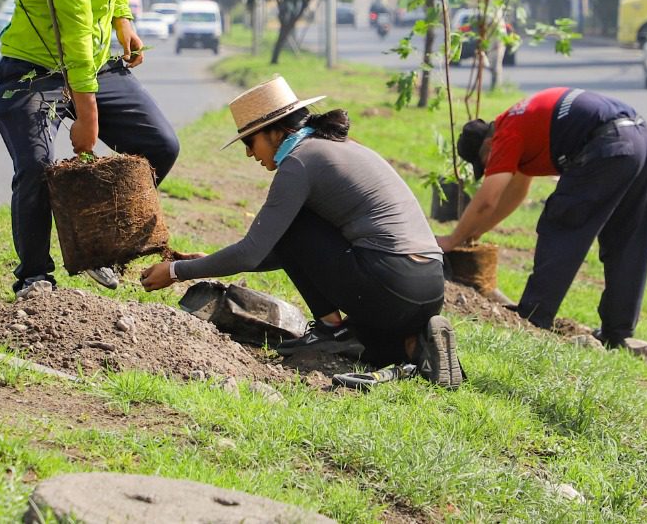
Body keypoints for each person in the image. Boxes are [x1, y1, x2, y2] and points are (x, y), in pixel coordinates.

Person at [139, 77, 460, 388]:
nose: (250, 154)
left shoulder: (299, 162)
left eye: (250, 142)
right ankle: (416, 346)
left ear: (275, 132)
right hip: (428, 286)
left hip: (390, 280)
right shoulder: (335, 147)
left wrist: (176, 271)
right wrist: (209, 262)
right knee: (371, 352)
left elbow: (255, 249)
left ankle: (331, 329)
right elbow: (293, 254)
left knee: (293, 224)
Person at [0, 0, 180, 299]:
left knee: (160, 146)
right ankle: (34, 276)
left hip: (92, 66)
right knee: (36, 167)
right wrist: (87, 115)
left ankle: (95, 246)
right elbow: (74, 30)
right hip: (33, 70)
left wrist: (123, 22)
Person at [446, 88, 647, 347]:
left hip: (609, 143)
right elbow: (515, 193)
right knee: (627, 239)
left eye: (486, 162)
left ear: (488, 144)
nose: (491, 167)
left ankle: (533, 317)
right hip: (640, 140)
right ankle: (617, 332)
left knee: (561, 224)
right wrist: (476, 232)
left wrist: (452, 239)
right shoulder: (522, 119)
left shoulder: (506, 131)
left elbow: (488, 199)